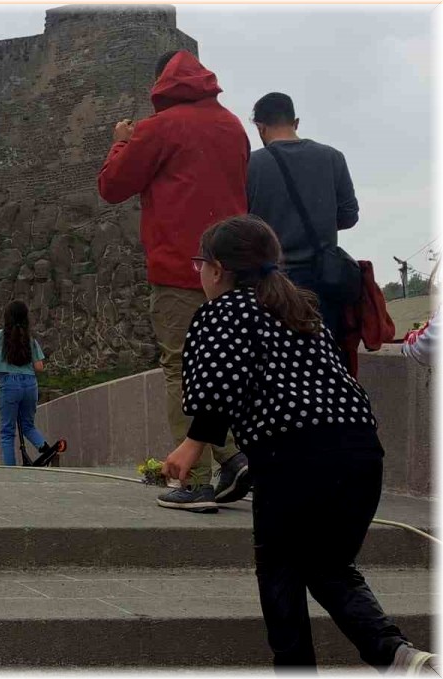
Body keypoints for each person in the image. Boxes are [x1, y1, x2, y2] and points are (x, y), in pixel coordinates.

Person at [161, 214, 434, 672]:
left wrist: (190, 447)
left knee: (280, 570)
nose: (199, 274)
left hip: (292, 457)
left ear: (218, 268)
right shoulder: (301, 309)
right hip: (361, 452)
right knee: (329, 568)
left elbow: (219, 388)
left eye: (199, 263)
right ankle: (397, 655)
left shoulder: (223, 312)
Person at [97, 49, 251, 512]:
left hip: (180, 267)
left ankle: (193, 479)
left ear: (161, 81)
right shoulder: (232, 125)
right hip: (234, 269)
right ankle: (236, 458)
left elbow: (112, 186)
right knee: (228, 367)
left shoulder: (159, 127)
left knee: (181, 368)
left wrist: (121, 141)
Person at [246, 92, 360, 343]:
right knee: (328, 359)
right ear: (295, 122)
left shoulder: (251, 165)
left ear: (260, 127)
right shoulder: (332, 157)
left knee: (283, 363)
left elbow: (244, 228)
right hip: (326, 281)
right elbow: (350, 216)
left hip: (273, 285)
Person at [0, 300, 66, 467]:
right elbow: (39, 367)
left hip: (9, 383)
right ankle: (47, 450)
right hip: (30, 384)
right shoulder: (29, 339)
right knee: (27, 425)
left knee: (7, 432)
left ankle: (11, 470)